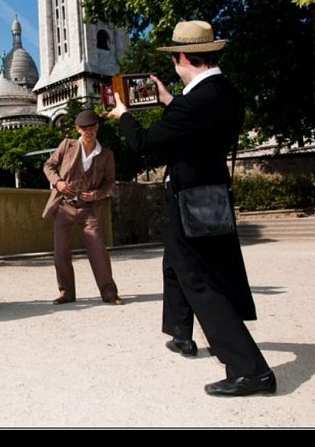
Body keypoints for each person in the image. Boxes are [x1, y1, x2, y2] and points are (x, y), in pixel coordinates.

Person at [107, 20, 276, 396]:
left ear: (183, 57)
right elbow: (196, 129)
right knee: (186, 265)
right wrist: (170, 101)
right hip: (213, 191)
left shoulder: (195, 103)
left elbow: (144, 143)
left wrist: (124, 116)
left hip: (190, 198)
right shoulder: (226, 93)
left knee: (198, 279)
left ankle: (250, 368)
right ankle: (182, 333)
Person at [42, 109, 123, 306]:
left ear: (97, 127)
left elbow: (109, 182)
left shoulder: (106, 154)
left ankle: (109, 293)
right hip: (64, 206)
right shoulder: (67, 145)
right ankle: (66, 293)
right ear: (78, 129)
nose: (89, 131)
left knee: (97, 249)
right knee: (60, 251)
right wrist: (58, 183)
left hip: (90, 209)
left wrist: (97, 194)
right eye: (84, 128)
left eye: (92, 127)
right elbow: (48, 166)